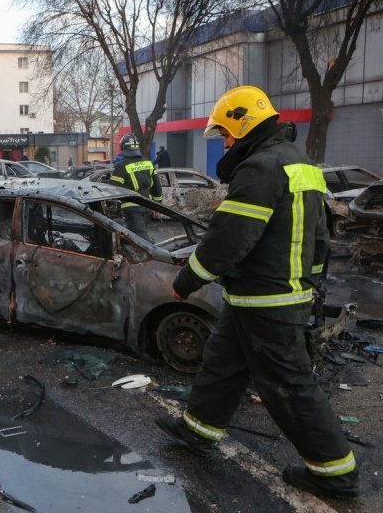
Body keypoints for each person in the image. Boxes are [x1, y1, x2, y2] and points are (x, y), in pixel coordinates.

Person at [155, 86, 358, 499]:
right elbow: (320, 238)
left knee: (287, 384)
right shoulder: (301, 165)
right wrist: (311, 283)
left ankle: (335, 473)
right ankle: (198, 428)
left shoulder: (260, 168)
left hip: (267, 300)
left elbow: (229, 238)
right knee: (223, 364)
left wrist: (186, 281)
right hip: (264, 296)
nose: (226, 143)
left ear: (244, 125)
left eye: (227, 134)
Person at [108, 133, 162, 242]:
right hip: (147, 206)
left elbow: (112, 190)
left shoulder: (121, 166)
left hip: (131, 208)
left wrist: (108, 204)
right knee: (140, 234)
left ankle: (151, 254)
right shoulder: (148, 163)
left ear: (123, 148)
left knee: (140, 239)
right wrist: (157, 207)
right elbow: (157, 187)